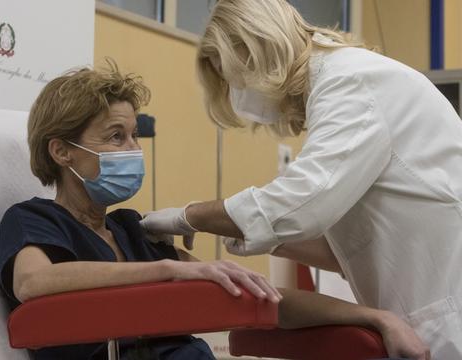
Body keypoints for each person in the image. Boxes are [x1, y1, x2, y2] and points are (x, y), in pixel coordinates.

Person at [0, 61, 428, 360]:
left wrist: (373, 316)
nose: (133, 150)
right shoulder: (34, 219)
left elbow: (250, 297)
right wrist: (171, 271)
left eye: (133, 136)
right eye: (116, 136)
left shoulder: (131, 230)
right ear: (62, 151)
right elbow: (34, 282)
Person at [139, 0, 461, 358]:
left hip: (446, 316)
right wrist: (241, 230)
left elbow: (301, 202)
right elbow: (345, 249)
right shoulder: (341, 87)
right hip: (426, 314)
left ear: (261, 47)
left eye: (235, 77)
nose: (237, 91)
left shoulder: (351, 82)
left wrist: (191, 215)